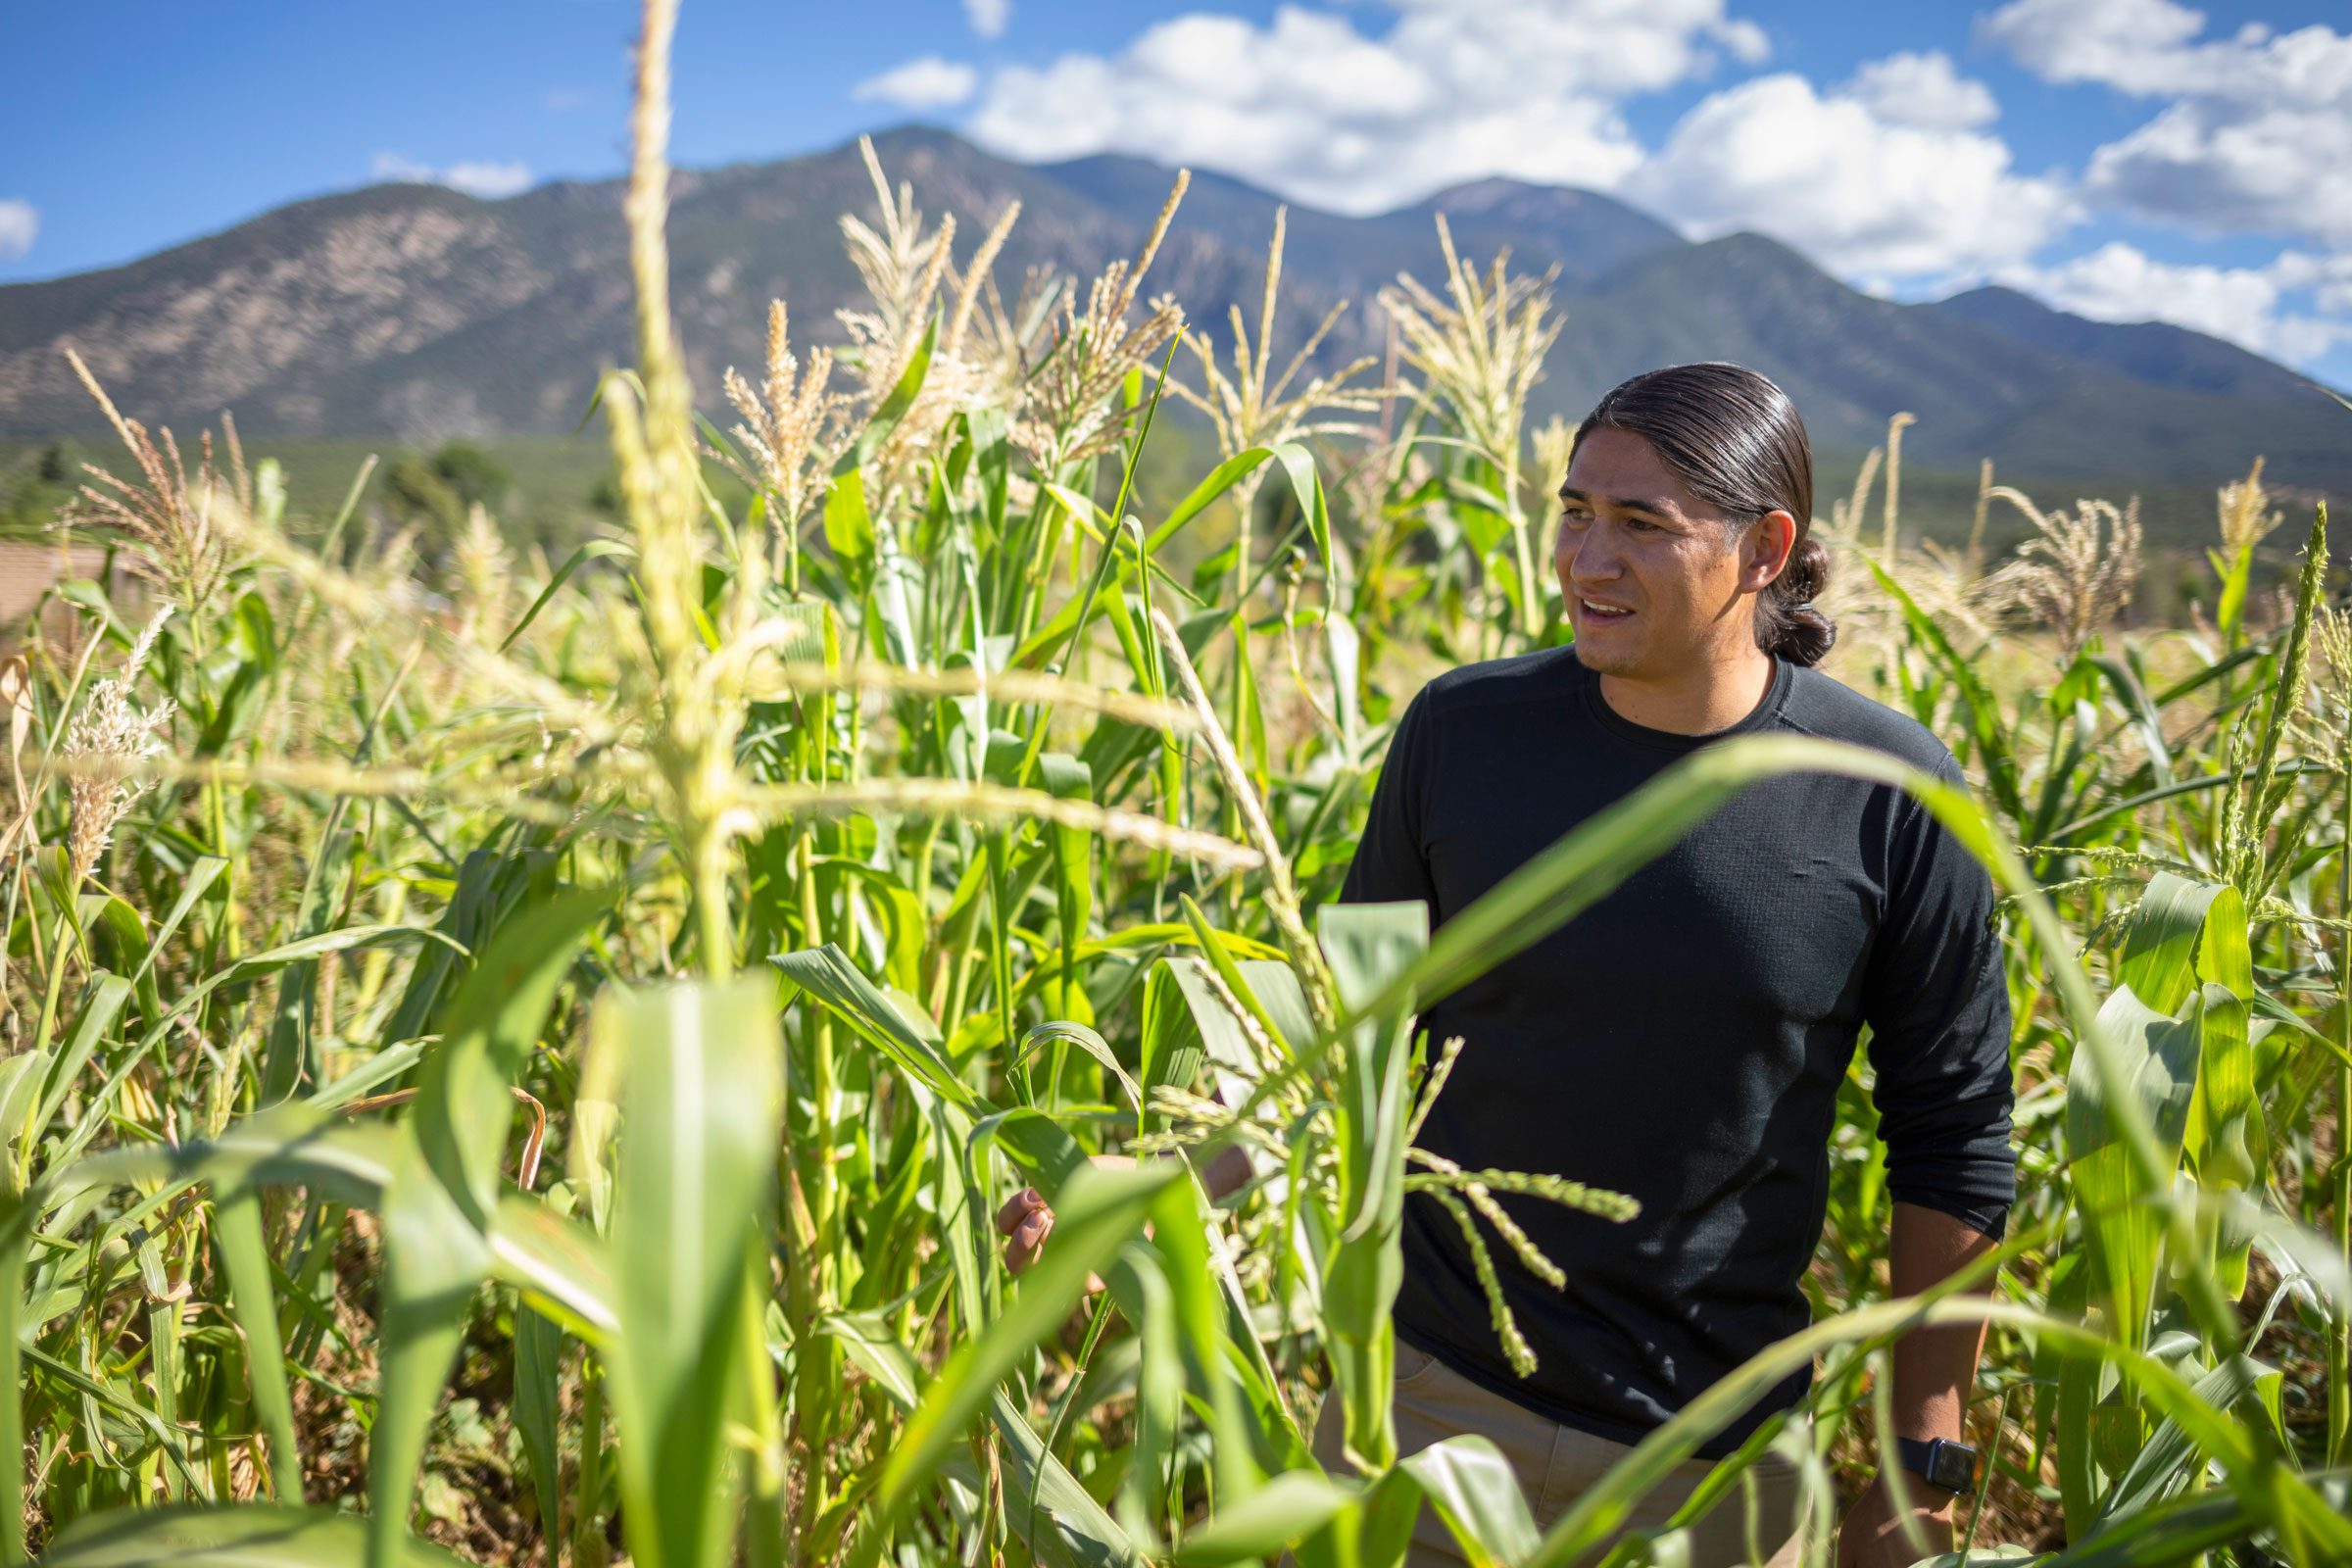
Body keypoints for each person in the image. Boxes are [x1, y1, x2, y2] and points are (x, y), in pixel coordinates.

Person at [999, 363, 2015, 1568]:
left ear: (1764, 547)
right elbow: (1347, 1041)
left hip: (1709, 1485)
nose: (1587, 560)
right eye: (1576, 512)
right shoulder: (1465, 734)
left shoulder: (1888, 792)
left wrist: (1923, 1467)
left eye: (1642, 525)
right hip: (1423, 1427)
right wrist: (1147, 1186)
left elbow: (1954, 1137)